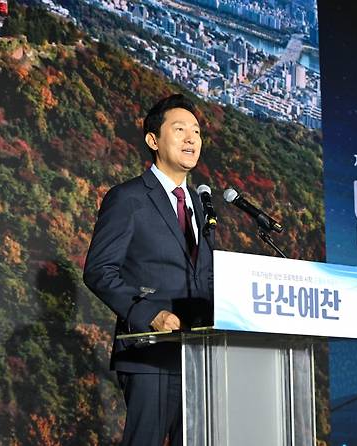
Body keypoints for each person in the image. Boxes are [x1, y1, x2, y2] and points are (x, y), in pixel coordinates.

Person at [83, 93, 213, 446]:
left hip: (201, 355)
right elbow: (99, 270)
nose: (191, 138)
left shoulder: (202, 207)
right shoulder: (128, 198)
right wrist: (149, 313)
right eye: (180, 129)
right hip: (150, 351)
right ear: (153, 140)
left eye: (197, 132)